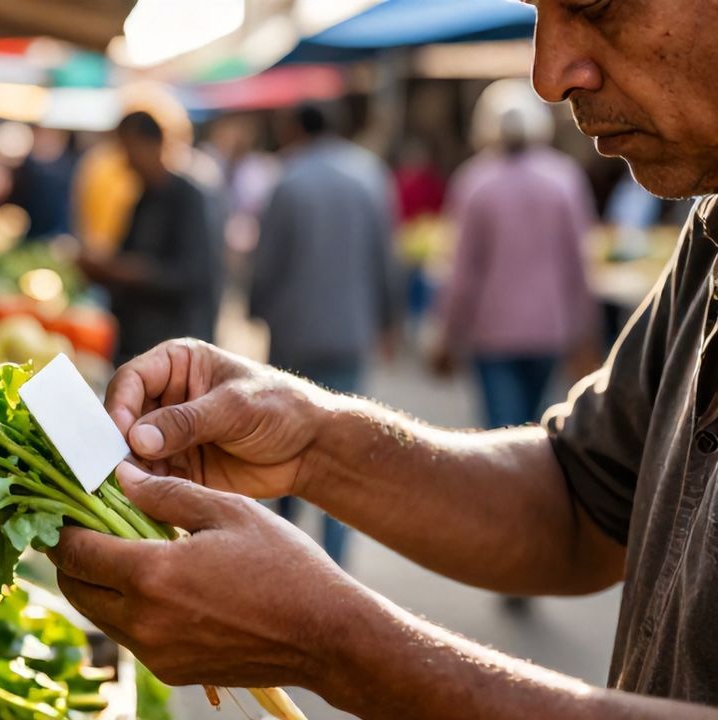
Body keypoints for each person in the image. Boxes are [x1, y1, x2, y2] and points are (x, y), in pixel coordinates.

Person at [48, 0, 718, 715]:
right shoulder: (705, 234)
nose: (549, 76)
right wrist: (309, 434)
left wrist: (329, 638)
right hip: (406, 331)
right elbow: (582, 494)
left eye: (596, 5)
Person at [250, 102, 401, 567]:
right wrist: (389, 321)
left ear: (296, 127)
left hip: (294, 332)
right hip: (349, 331)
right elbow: (386, 257)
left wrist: (257, 309)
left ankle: (283, 552)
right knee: (343, 447)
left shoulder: (288, 180)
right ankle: (335, 562)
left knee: (285, 441)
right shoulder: (368, 176)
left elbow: (266, 262)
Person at [434, 82, 598, 434]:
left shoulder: (475, 181)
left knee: (501, 433)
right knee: (535, 429)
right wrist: (584, 332)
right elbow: (579, 265)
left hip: (492, 331)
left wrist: (447, 335)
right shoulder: (563, 179)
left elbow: (462, 272)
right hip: (550, 329)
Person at [79, 112, 219, 365]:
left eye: (130, 148)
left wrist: (125, 271)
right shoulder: (143, 199)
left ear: (154, 144)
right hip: (138, 339)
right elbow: (125, 254)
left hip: (175, 344)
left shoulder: (187, 199)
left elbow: (191, 274)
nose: (127, 160)